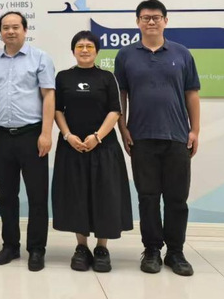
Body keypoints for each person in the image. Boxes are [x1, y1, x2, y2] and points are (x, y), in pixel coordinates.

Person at [114, 0, 201, 277]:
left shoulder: (182, 53)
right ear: (137, 21)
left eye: (156, 17)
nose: (151, 22)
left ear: (165, 20)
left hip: (177, 136)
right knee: (148, 197)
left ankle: (175, 252)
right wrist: (123, 129)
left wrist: (195, 130)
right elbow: (120, 95)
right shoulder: (125, 55)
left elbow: (192, 93)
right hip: (141, 137)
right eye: (145, 17)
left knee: (177, 198)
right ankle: (151, 250)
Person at [51, 31, 132, 273]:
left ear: (97, 51)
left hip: (103, 147)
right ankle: (81, 247)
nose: (84, 50)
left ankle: (101, 248)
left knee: (105, 195)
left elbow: (115, 110)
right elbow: (57, 110)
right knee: (77, 195)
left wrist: (97, 137)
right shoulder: (63, 77)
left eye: (89, 46)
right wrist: (68, 135)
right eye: (80, 46)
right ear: (73, 51)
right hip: (72, 147)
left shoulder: (107, 77)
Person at [0, 11, 55, 272]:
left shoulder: (40, 58)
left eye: (15, 27)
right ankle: (10, 245)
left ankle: (36, 249)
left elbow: (49, 96)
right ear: (0, 31)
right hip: (1, 136)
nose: (11, 31)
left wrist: (46, 134)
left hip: (32, 135)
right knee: (6, 196)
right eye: (6, 27)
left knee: (37, 196)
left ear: (25, 30)